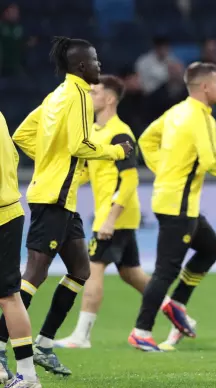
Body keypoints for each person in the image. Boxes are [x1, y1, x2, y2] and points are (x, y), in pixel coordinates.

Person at [8, 36, 132, 376]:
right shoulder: (78, 95)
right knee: (33, 273)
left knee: (80, 270)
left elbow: (22, 135)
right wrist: (115, 151)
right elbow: (80, 144)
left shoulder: (55, 96)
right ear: (81, 66)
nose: (99, 65)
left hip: (62, 196)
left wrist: (50, 159)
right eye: (94, 60)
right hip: (54, 197)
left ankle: (45, 344)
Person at [53, 75, 194, 350]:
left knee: (92, 271)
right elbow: (86, 173)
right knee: (132, 275)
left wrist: (110, 219)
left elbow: (129, 179)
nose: (90, 97)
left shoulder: (120, 134)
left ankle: (81, 336)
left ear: (109, 98)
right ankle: (179, 315)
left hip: (114, 217)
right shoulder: (94, 132)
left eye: (95, 92)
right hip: (116, 217)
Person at [129, 62, 216, 352]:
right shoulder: (202, 118)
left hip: (174, 200)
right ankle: (141, 331)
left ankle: (176, 304)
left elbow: (145, 140)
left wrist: (161, 168)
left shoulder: (177, 111)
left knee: (210, 247)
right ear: (205, 87)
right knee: (165, 270)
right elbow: (211, 160)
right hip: (178, 204)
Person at [0, 112, 41, 387]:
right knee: (9, 295)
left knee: (8, 295)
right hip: (10, 209)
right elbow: (13, 157)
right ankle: (26, 373)